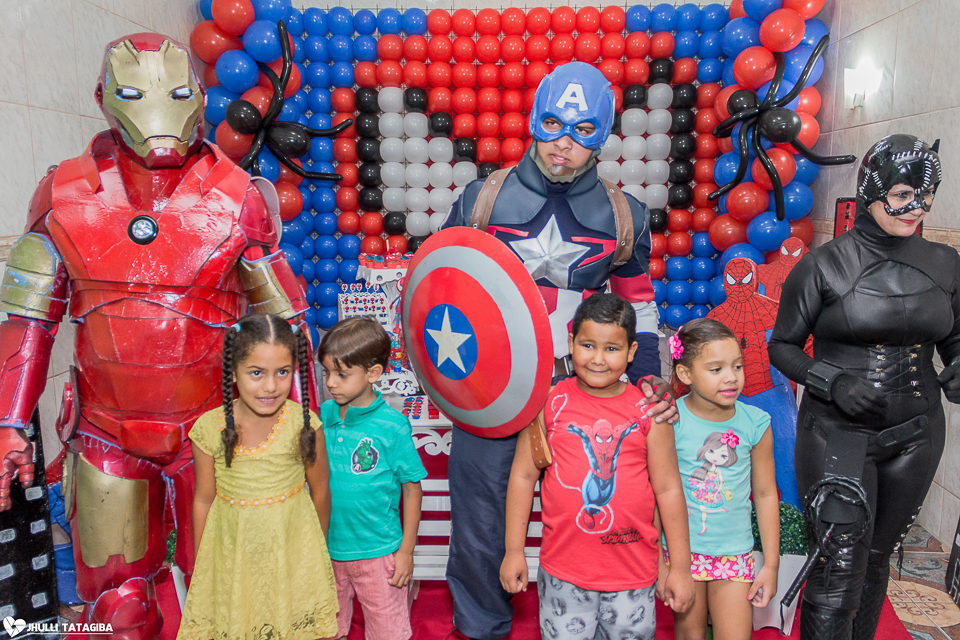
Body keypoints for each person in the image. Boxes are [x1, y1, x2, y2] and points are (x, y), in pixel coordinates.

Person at [0, 33, 314, 637]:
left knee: (233, 599)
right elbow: (26, 321)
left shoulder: (237, 198)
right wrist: (9, 422)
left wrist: (300, 432)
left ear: (196, 96)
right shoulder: (66, 194)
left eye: (175, 93)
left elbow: (286, 323)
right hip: (106, 434)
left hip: (216, 429)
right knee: (118, 607)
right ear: (104, 97)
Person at [441, 61, 675, 640]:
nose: (564, 146)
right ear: (534, 122)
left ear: (602, 136)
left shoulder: (625, 216)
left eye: (582, 133)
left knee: (596, 513)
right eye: (553, 127)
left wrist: (649, 384)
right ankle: (480, 629)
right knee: (480, 526)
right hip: (491, 389)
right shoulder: (482, 200)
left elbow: (638, 307)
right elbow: (442, 289)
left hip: (582, 388)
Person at [768, 134, 960, 640]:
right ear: (872, 190)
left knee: (876, 559)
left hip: (917, 436)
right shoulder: (824, 264)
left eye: (927, 195)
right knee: (837, 566)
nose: (915, 207)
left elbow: (956, 339)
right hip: (837, 435)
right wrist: (832, 379)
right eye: (902, 194)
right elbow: (782, 346)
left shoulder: (946, 264)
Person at [499, 294, 695, 639]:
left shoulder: (649, 409)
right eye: (588, 345)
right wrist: (514, 550)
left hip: (633, 574)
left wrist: (678, 566)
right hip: (563, 572)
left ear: (632, 352)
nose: (598, 359)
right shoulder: (549, 402)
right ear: (570, 341)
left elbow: (667, 488)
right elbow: (523, 475)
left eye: (612, 349)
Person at [178, 313, 338, 640]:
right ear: (233, 372)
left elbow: (321, 492)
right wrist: (203, 566)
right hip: (233, 555)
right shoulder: (209, 429)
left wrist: (312, 555)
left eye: (282, 372)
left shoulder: (304, 424)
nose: (270, 386)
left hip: (291, 553)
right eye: (256, 373)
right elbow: (204, 499)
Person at [665, 318, 779, 640]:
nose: (731, 377)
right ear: (685, 374)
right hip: (683, 555)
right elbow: (659, 492)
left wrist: (770, 564)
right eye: (716, 369)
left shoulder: (756, 423)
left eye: (737, 366)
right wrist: (665, 566)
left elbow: (767, 493)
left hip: (734, 554)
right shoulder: (670, 421)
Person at [318, 316, 427, 640]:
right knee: (326, 629)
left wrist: (406, 551)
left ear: (373, 374)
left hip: (379, 554)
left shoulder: (392, 426)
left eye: (341, 374)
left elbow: (412, 489)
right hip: (326, 551)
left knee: (387, 632)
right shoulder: (321, 416)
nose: (331, 383)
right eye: (326, 372)